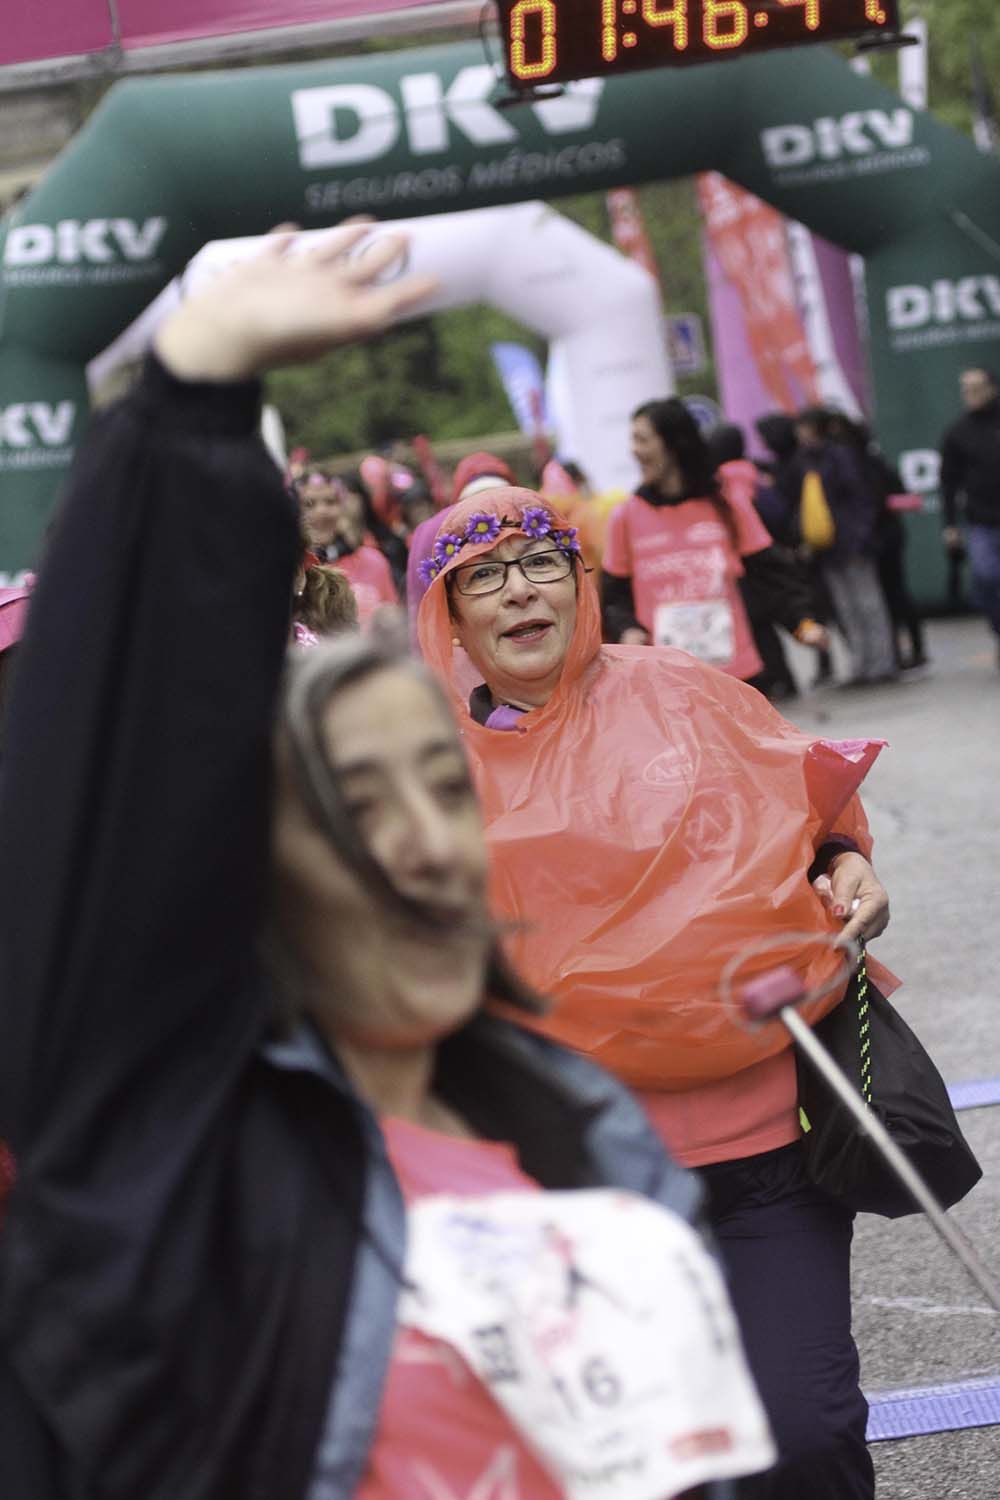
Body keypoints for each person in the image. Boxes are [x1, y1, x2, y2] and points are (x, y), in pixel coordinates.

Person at [0, 228, 774, 1500]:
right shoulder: (171, 1156)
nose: (420, 832)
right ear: (255, 875)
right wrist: (190, 407)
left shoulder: (582, 1145)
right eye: (354, 801)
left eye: (439, 783)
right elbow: (106, 813)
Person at [418, 485, 895, 1500]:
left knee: (805, 1434)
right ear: (448, 612)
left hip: (769, 1143)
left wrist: (848, 859)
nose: (519, 591)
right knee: (656, 1462)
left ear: (580, 579)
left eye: (541, 561)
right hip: (575, 1177)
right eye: (484, 575)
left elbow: (808, 804)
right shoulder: (424, 765)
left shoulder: (683, 690)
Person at [602, 400, 826, 680]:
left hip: (734, 674)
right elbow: (613, 595)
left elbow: (770, 573)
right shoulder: (626, 516)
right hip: (665, 680)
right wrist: (627, 629)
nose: (634, 450)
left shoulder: (727, 506)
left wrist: (802, 623)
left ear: (674, 444)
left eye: (642, 439)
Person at [786, 408, 898, 686]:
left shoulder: (839, 457)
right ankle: (860, 664)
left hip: (850, 542)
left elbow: (860, 499)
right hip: (827, 544)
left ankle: (882, 662)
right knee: (846, 607)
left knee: (867, 603)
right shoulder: (804, 461)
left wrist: (859, 535)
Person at [940, 366, 1000, 665]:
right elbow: (948, 483)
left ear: (991, 388)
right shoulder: (957, 432)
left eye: (976, 387)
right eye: (965, 388)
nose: (970, 394)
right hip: (982, 521)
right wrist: (950, 525)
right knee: (987, 578)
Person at [298, 466, 399, 627]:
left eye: (330, 502)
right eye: (309, 504)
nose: (321, 511)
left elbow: (393, 623)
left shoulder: (373, 561)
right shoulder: (293, 572)